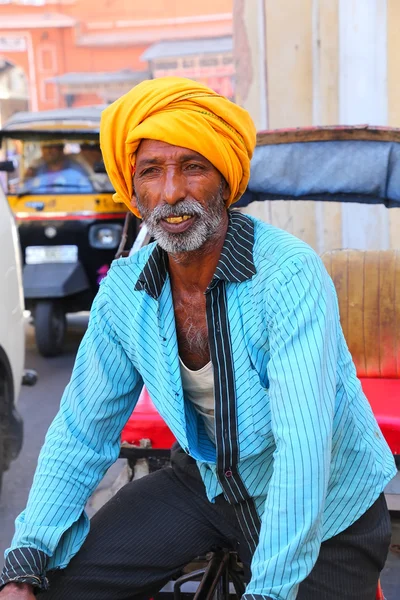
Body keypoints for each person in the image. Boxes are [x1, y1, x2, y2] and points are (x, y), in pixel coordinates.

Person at [0, 77, 396, 600]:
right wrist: (26, 562)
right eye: (151, 171)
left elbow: (304, 447)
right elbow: (81, 431)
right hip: (208, 482)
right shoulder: (125, 292)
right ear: (133, 189)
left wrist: (269, 590)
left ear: (224, 181)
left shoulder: (288, 276)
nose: (171, 193)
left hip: (325, 501)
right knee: (55, 587)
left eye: (192, 166)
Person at [23, 142, 93, 194]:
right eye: (45, 147)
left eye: (52, 146)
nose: (48, 151)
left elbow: (89, 195)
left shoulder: (77, 170)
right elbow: (24, 191)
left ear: (61, 149)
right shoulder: (36, 171)